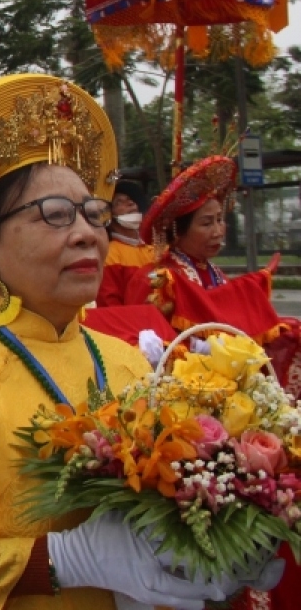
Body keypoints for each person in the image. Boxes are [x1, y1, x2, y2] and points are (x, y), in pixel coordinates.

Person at [0, 75, 281, 609]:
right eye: (54, 215)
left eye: (92, 213)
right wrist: (63, 559)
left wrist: (221, 541)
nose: (86, 233)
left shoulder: (130, 364)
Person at [124, 155, 301, 610]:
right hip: (185, 429)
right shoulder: (158, 280)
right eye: (207, 222)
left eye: (222, 219)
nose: (219, 230)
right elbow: (147, 357)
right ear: (177, 231)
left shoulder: (217, 277)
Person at [96, 179, 156, 306]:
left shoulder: (155, 250)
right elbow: (109, 305)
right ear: (107, 215)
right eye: (119, 202)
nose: (130, 203)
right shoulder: (108, 254)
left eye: (130, 199)